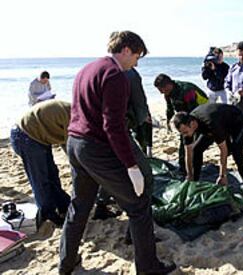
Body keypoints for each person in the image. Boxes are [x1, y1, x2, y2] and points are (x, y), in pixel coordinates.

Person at [59, 31, 176, 275]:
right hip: (96, 147)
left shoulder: (87, 69)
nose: (136, 63)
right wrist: (131, 166)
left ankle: (66, 264)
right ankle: (148, 268)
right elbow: (113, 126)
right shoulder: (115, 75)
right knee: (138, 205)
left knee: (79, 206)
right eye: (136, 57)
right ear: (125, 50)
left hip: (74, 143)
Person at [172, 103, 243, 202]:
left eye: (185, 132)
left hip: (236, 121)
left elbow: (223, 150)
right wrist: (190, 175)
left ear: (192, 124)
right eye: (182, 133)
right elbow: (188, 152)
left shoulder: (210, 122)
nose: (185, 135)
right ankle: (195, 183)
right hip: (218, 123)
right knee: (197, 149)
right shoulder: (186, 128)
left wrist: (222, 175)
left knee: (236, 153)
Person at [10, 99, 71, 227]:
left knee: (52, 173)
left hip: (39, 134)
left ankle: (63, 204)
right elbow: (71, 149)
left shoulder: (73, 113)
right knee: (41, 178)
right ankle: (48, 213)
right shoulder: (74, 119)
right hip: (25, 135)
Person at [154, 73, 208, 172]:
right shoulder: (168, 93)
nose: (162, 93)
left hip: (201, 113)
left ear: (168, 85)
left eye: (162, 90)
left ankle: (193, 168)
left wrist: (188, 128)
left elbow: (194, 112)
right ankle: (183, 167)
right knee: (184, 141)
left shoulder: (186, 90)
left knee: (195, 143)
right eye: (160, 91)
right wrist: (168, 120)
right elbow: (170, 108)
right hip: (186, 116)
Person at [126, 68, 153, 157]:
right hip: (131, 112)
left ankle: (147, 152)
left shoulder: (130, 73)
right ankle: (145, 153)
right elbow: (139, 97)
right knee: (139, 133)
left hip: (132, 111)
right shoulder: (131, 74)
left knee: (143, 132)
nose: (137, 64)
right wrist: (144, 114)